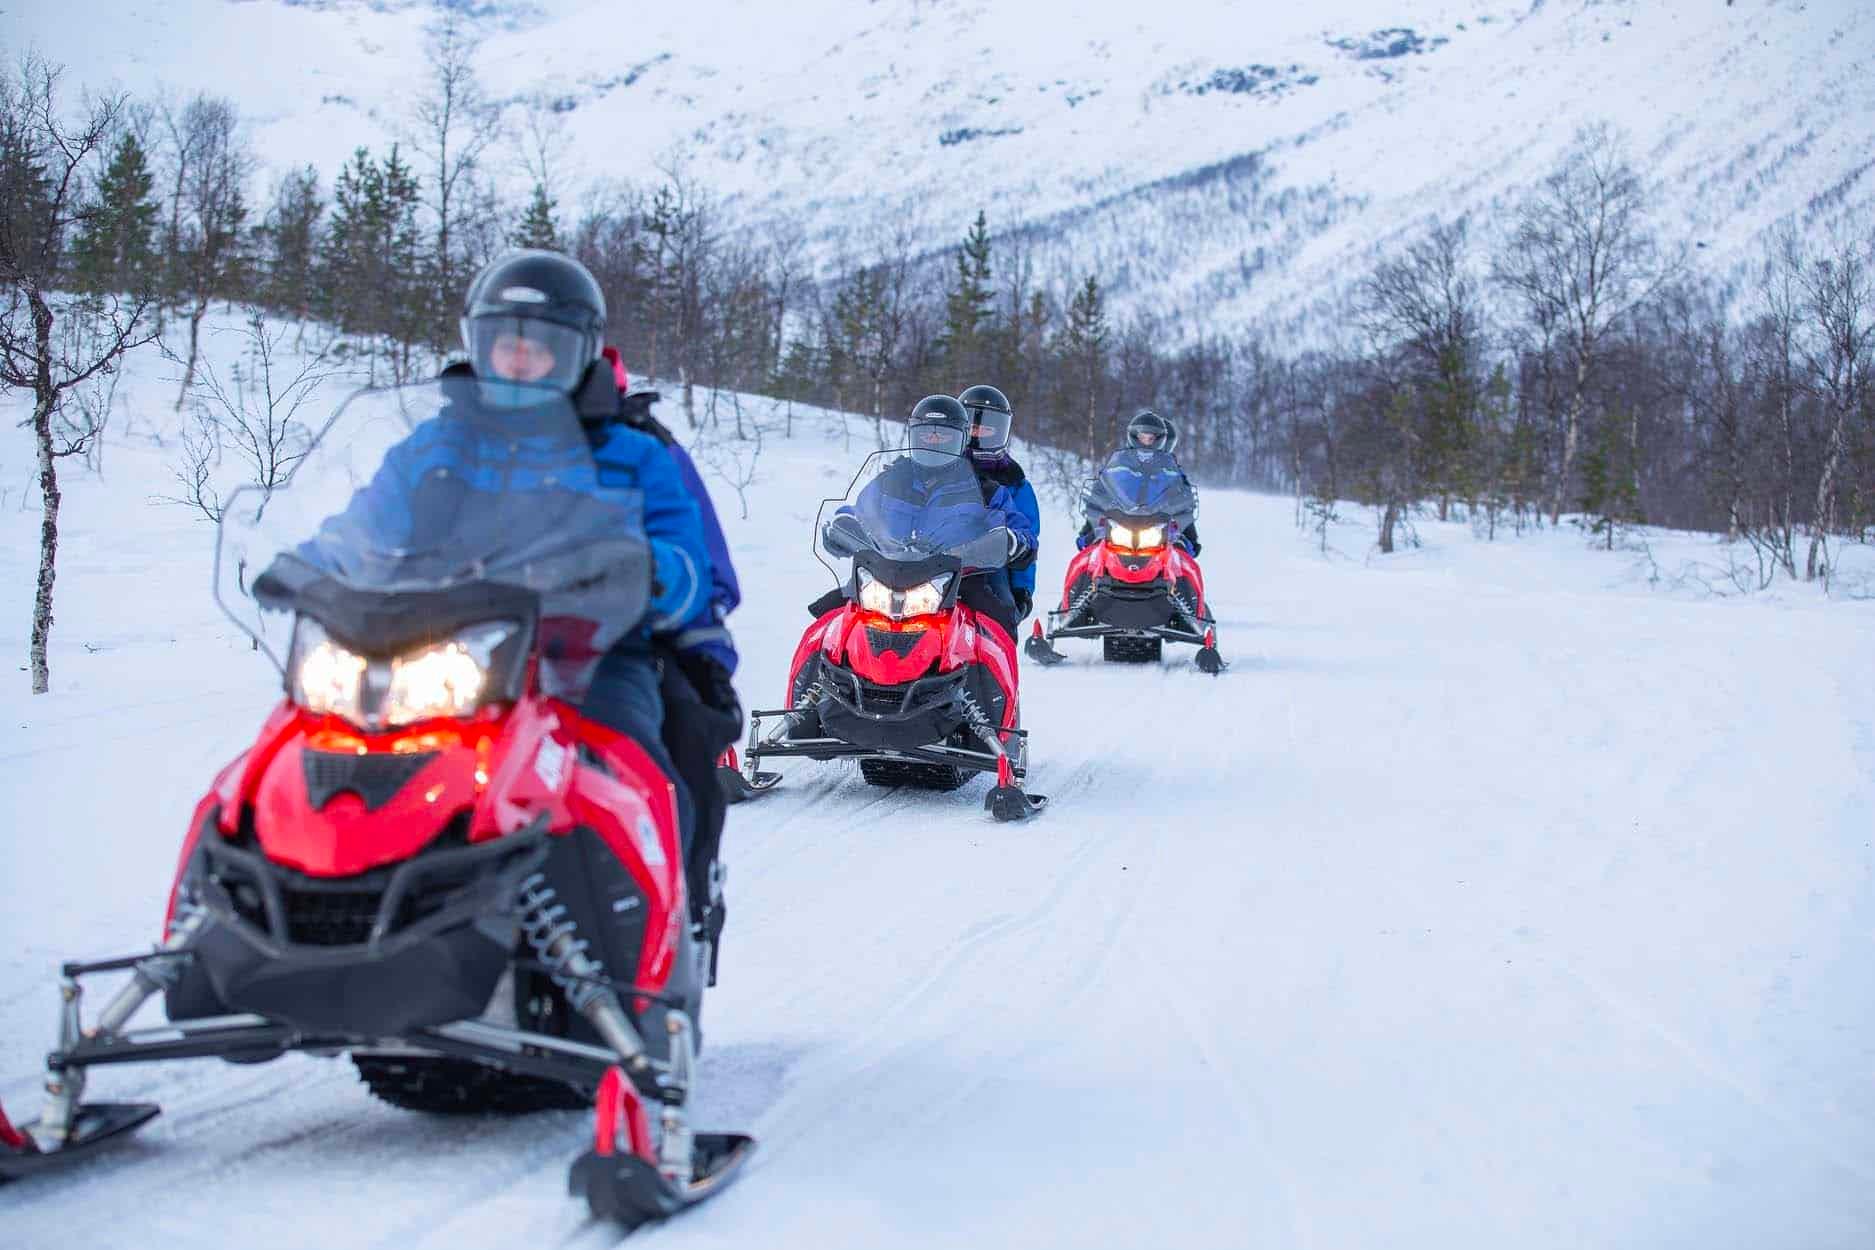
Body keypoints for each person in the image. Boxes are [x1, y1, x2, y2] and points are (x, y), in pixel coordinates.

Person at [812, 395, 1034, 640]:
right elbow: (861, 511)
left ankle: (993, 676)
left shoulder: (985, 490)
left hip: (957, 579)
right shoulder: (890, 480)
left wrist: (1015, 542)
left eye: (945, 436)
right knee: (827, 621)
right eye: (928, 435)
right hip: (885, 574)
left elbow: (1019, 528)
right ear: (913, 436)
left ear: (962, 440)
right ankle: (812, 674)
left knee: (997, 626)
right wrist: (843, 525)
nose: (935, 442)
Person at [958, 384, 1042, 620]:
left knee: (1002, 611)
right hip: (934, 557)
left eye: (985, 428)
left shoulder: (1014, 482)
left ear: (999, 430)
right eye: (972, 426)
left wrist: (1021, 589)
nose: (977, 433)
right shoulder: (937, 467)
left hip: (987, 565)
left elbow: (1027, 536)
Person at [1077, 409, 1202, 555]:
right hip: (1123, 517)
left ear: (1160, 440)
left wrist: (1182, 509)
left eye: (1151, 438)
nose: (1147, 442)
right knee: (1090, 550)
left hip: (1158, 518)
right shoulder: (1122, 463)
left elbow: (1181, 491)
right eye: (1143, 437)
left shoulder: (1168, 468)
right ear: (1134, 436)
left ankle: (1186, 552)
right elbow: (1106, 483)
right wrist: (1099, 500)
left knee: (1184, 550)